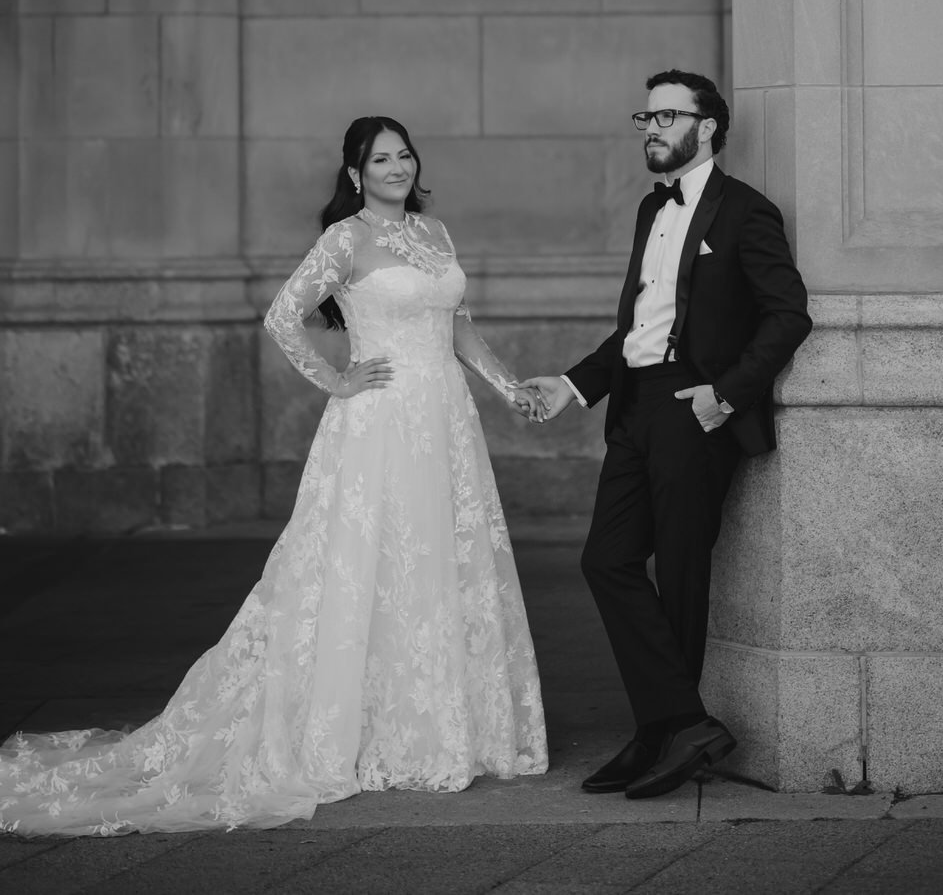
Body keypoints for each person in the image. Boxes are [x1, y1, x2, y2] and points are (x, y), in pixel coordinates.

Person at [0, 117, 547, 837]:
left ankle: (439, 727)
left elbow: (458, 325)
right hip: (380, 424)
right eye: (380, 159)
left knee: (438, 561)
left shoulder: (434, 231)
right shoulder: (345, 239)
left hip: (445, 421)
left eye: (404, 155)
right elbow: (282, 316)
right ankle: (360, 732)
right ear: (354, 174)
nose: (397, 167)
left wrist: (510, 389)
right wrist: (338, 380)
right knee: (366, 566)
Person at [522, 70, 810, 800]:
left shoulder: (746, 211)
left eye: (667, 117)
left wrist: (726, 395)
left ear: (706, 127)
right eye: (646, 118)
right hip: (635, 405)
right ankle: (682, 723)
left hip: (694, 406)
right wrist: (574, 383)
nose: (651, 129)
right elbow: (637, 328)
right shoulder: (653, 208)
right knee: (607, 559)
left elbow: (788, 314)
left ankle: (660, 734)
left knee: (680, 572)